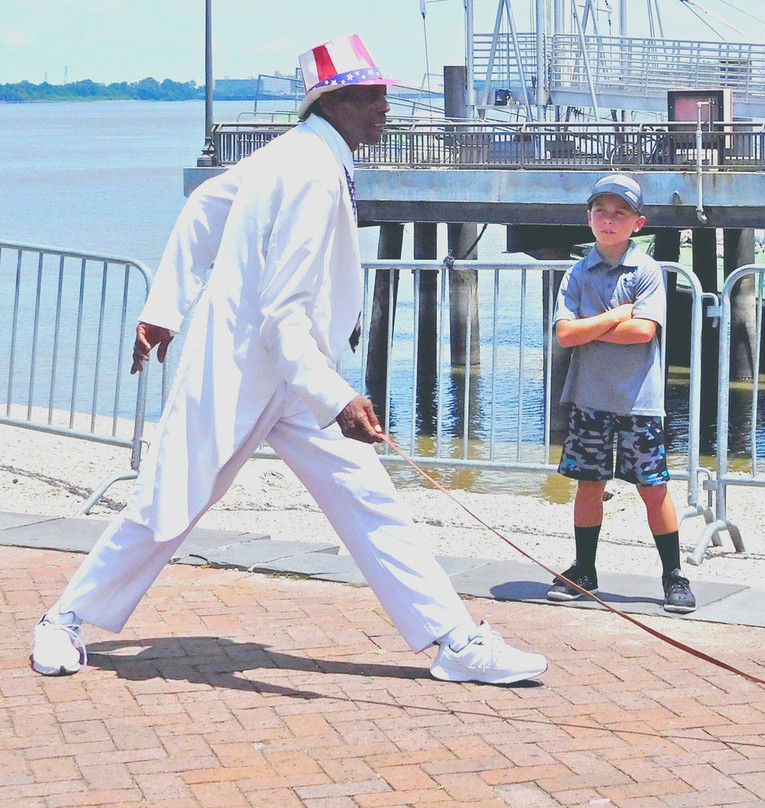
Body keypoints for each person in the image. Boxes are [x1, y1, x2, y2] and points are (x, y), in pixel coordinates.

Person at [29, 33, 547, 686]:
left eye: (384, 94)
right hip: (247, 370)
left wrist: (164, 308)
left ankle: (455, 641)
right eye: (371, 97)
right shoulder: (309, 171)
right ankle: (63, 620)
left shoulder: (296, 153)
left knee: (370, 499)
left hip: (292, 374)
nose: (385, 108)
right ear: (333, 102)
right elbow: (281, 311)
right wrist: (337, 398)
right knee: (166, 506)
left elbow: (202, 209)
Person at [546, 174, 696, 614]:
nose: (608, 221)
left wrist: (592, 326)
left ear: (638, 223)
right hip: (589, 398)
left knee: (653, 488)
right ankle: (584, 569)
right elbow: (565, 335)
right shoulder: (577, 271)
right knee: (589, 485)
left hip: (639, 402)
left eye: (620, 214)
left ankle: (673, 575)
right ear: (588, 217)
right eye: (601, 212)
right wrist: (614, 316)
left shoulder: (647, 270)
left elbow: (643, 331)